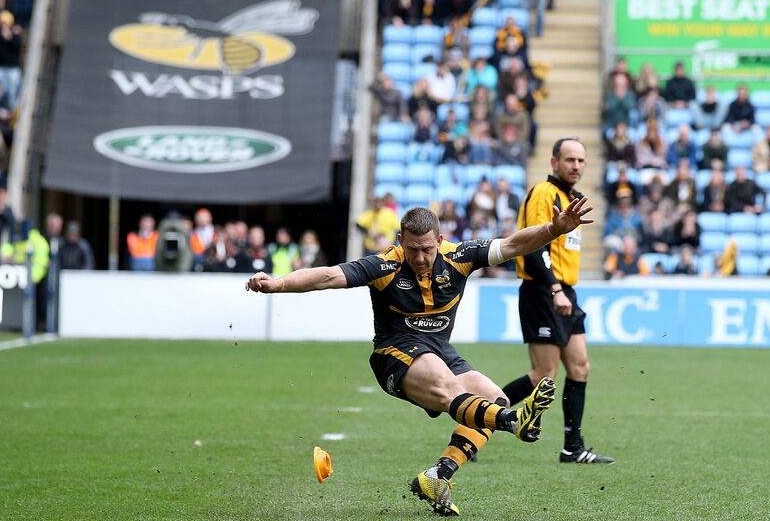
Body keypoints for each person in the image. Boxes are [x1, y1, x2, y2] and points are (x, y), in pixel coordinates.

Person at [245, 198, 595, 516]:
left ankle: (437, 475)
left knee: (492, 395)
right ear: (401, 241)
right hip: (394, 354)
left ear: (440, 240)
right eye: (413, 250)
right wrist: (278, 284)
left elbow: (515, 244)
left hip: (440, 352)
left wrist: (553, 229)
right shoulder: (384, 266)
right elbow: (327, 276)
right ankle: (512, 422)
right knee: (449, 388)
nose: (421, 258)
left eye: (427, 249)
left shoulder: (460, 256)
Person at [501, 138, 614, 465]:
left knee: (580, 367)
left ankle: (572, 448)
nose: (576, 166)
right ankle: (476, 418)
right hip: (542, 289)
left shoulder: (573, 199)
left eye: (581, 160)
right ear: (554, 163)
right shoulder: (544, 193)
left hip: (565, 290)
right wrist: (554, 289)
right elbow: (534, 245)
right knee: (542, 375)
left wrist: (563, 290)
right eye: (569, 160)